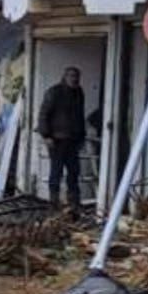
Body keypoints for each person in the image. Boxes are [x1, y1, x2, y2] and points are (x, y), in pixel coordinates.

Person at [38, 66, 86, 211]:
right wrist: (46, 135)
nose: (74, 79)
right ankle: (54, 203)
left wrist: (81, 136)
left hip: (73, 139)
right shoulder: (55, 92)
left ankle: (74, 203)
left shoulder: (78, 93)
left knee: (74, 172)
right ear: (64, 77)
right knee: (56, 171)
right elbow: (44, 114)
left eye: (76, 76)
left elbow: (79, 115)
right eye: (71, 76)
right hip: (57, 139)